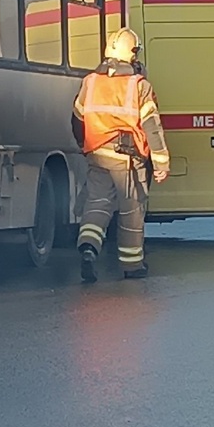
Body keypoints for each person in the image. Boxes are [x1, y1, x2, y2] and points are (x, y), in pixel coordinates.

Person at [71, 28, 170, 282]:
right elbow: (152, 128)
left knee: (97, 203)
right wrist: (161, 162)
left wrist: (86, 145)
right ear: (132, 53)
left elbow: (77, 119)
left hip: (96, 154)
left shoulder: (90, 82)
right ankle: (132, 265)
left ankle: (89, 246)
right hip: (127, 158)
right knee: (131, 210)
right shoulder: (139, 86)